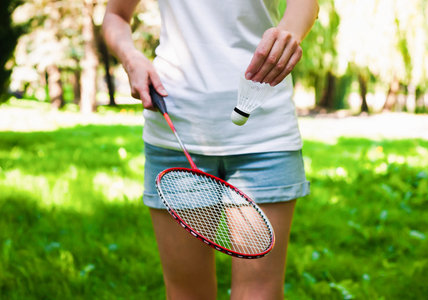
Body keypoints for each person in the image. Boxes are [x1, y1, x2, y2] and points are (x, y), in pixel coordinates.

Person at [102, 0, 319, 299]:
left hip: (265, 134)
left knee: (260, 293)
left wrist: (289, 34)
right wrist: (131, 59)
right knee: (186, 293)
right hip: (176, 129)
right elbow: (115, 15)